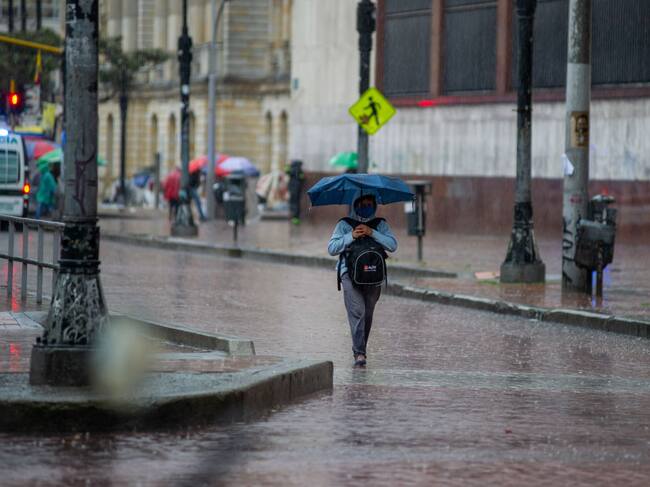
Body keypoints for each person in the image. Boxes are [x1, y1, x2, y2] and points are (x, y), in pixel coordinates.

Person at [327, 194, 397, 367]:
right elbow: (332, 248)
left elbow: (392, 245)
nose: (365, 207)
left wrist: (372, 233)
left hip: (374, 275)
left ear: (374, 205)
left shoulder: (380, 224)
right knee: (358, 311)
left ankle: (361, 349)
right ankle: (359, 353)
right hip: (349, 275)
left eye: (369, 204)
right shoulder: (344, 224)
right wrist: (351, 235)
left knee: (367, 314)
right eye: (362, 204)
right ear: (355, 205)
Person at [286, 160, 305, 225]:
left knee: (292, 202)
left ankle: (294, 217)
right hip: (298, 189)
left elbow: (286, 171)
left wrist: (288, 165)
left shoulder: (292, 170)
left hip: (292, 189)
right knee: (297, 203)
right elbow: (302, 178)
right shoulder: (300, 170)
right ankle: (296, 218)